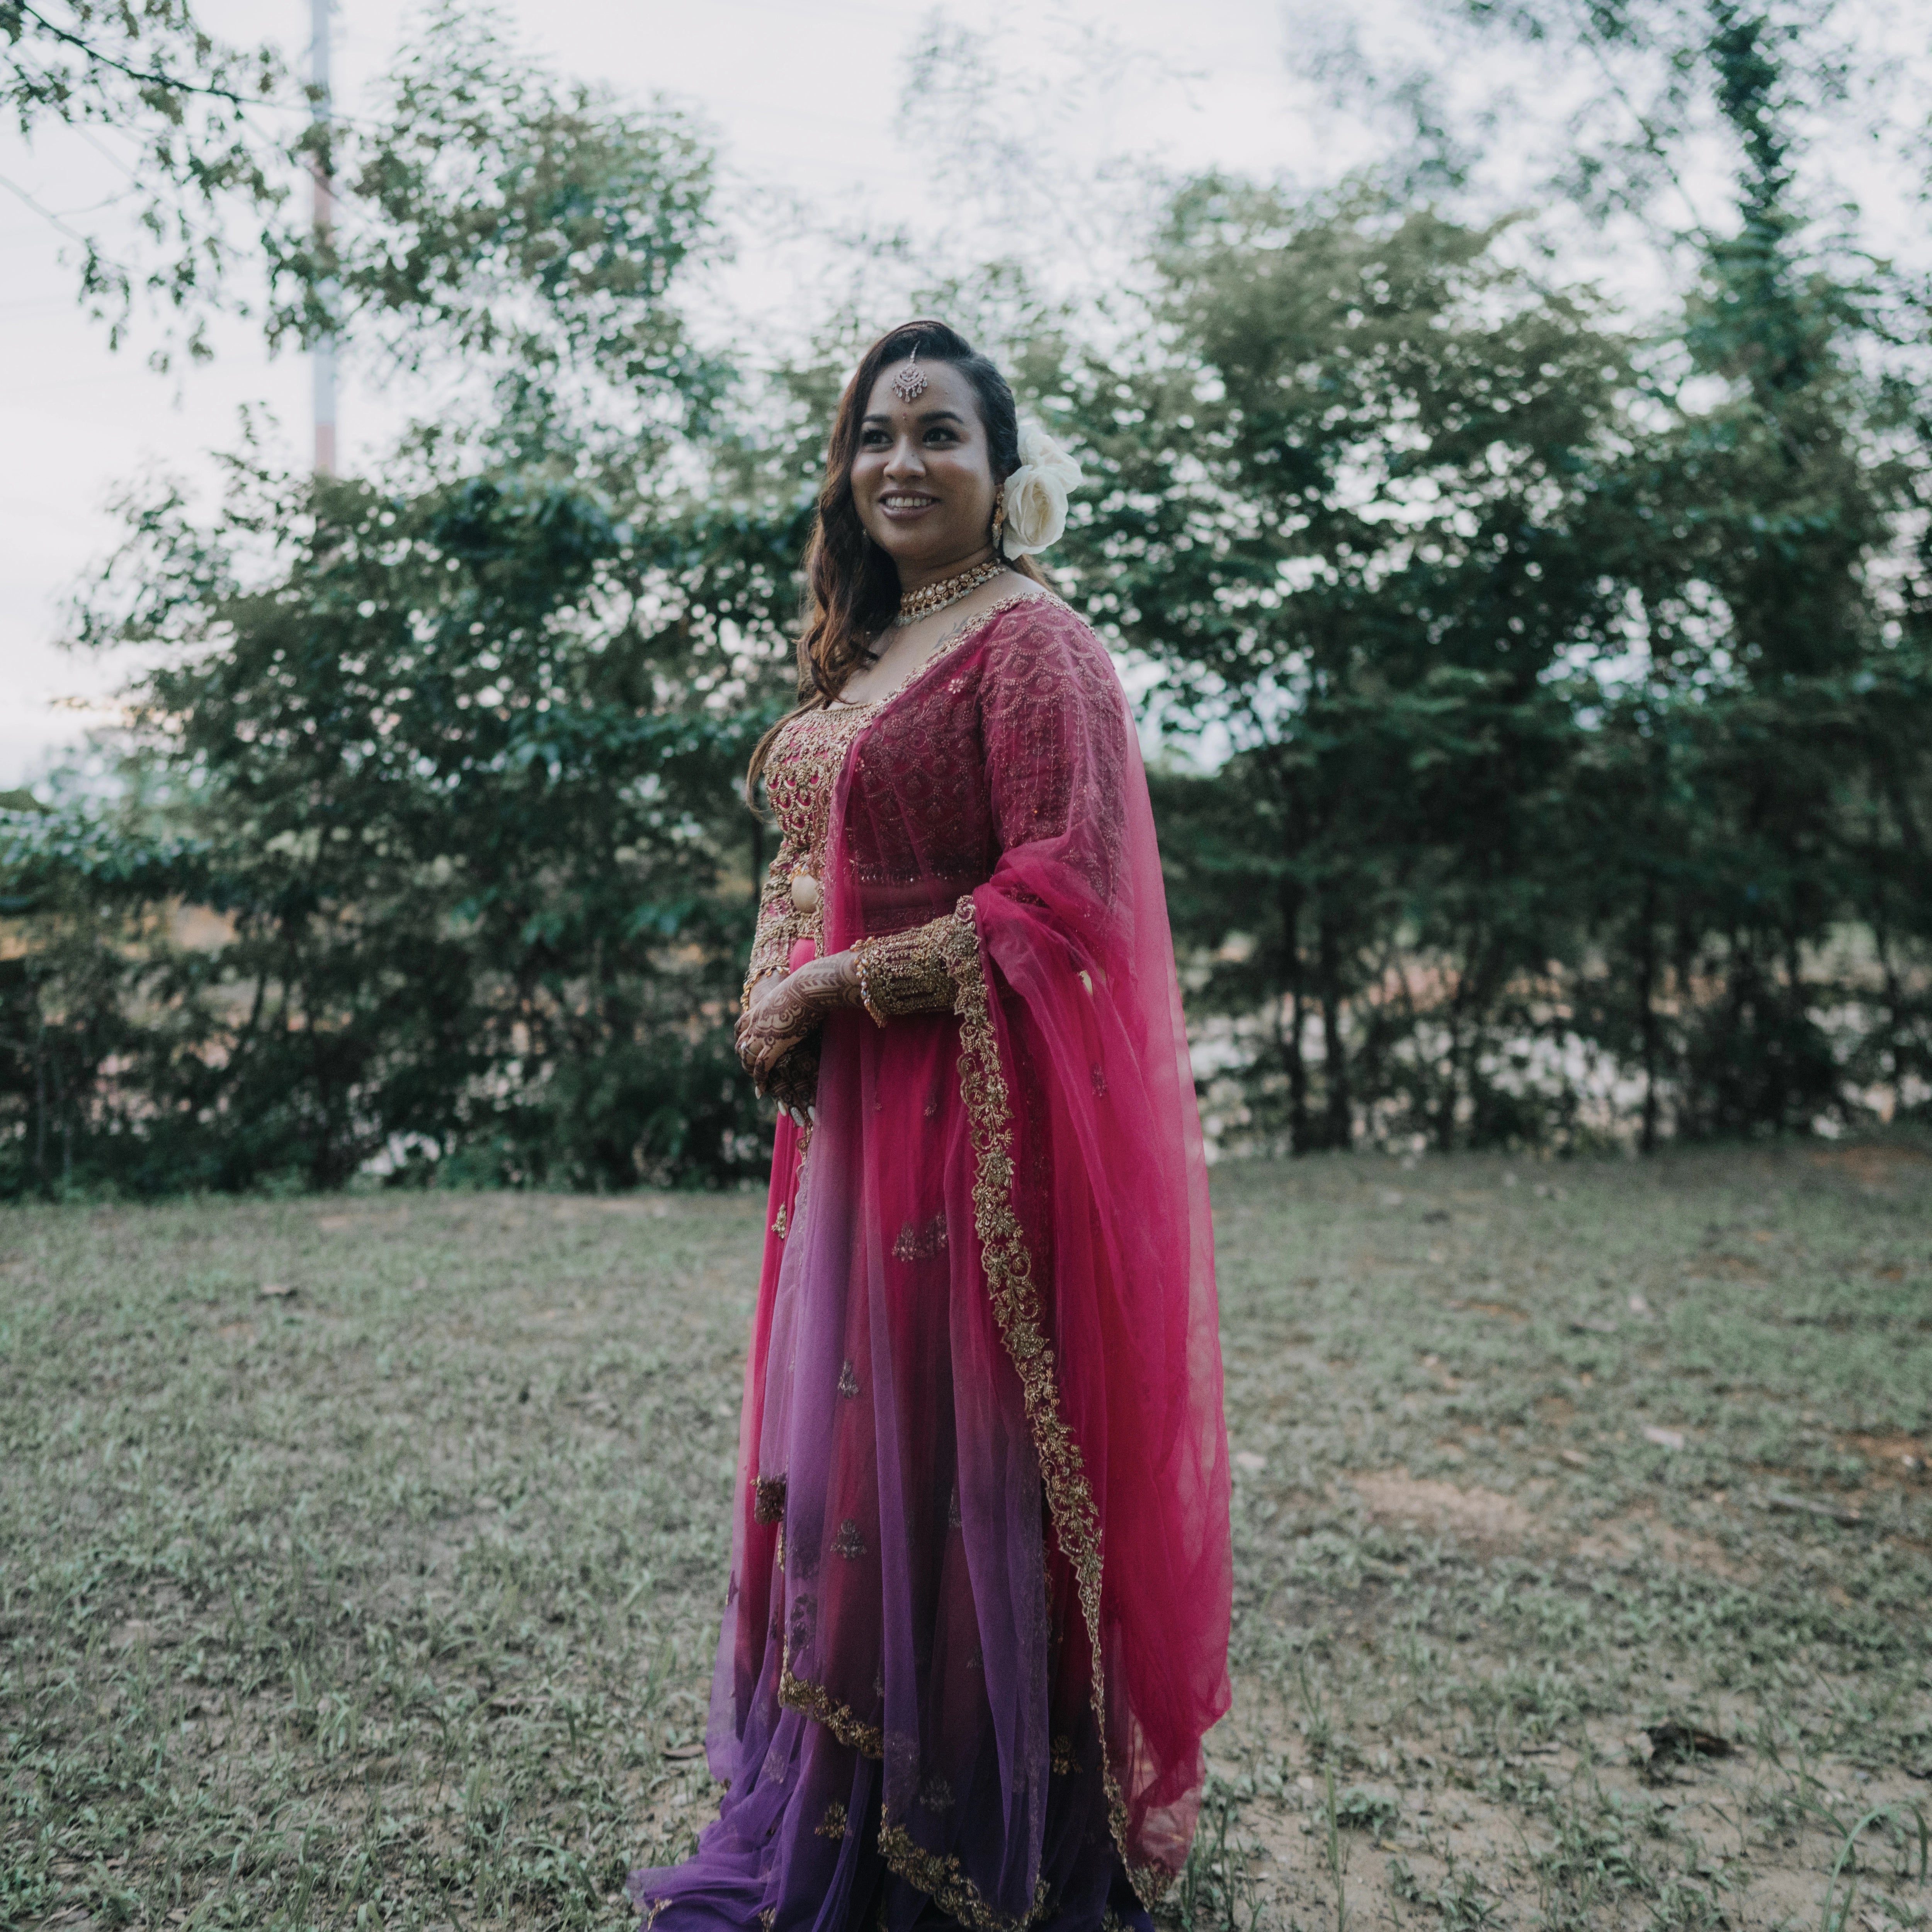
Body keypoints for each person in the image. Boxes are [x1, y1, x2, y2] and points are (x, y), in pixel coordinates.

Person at [628, 320, 1231, 1932]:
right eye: (875, 432)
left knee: (963, 1459)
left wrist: (840, 984)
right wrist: (775, 981)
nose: (901, 458)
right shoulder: (875, 640)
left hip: (970, 1111)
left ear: (1000, 470)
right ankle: (854, 1798)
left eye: (940, 432)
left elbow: (1064, 890)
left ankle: (982, 1828)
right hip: (847, 1113)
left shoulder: (1033, 644)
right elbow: (795, 839)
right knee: (849, 1457)